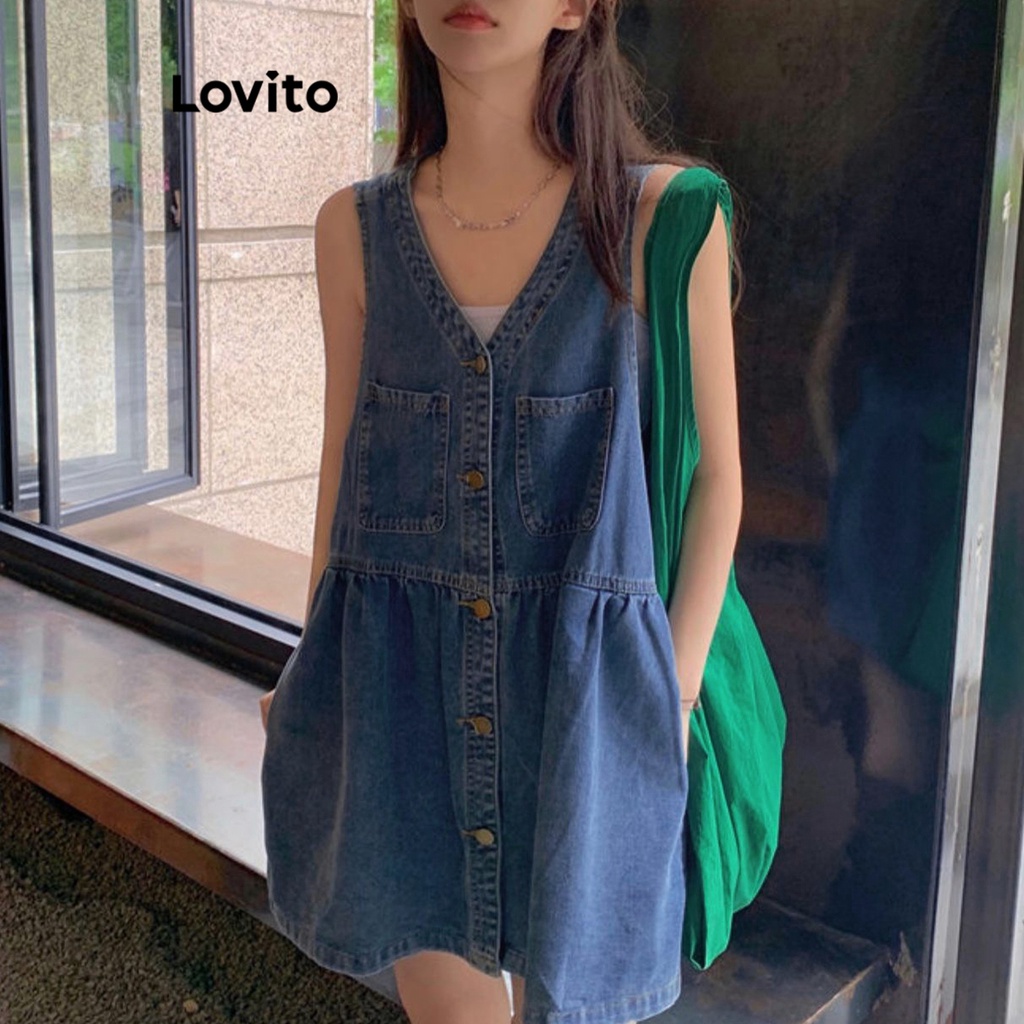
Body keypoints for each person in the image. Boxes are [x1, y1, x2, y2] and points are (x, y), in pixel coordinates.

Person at [259, 2, 744, 1022]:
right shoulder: (353, 232)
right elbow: (345, 460)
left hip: (591, 710)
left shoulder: (663, 218)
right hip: (399, 704)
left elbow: (717, 478)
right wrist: (314, 658)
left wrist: (673, 697)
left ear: (578, 7)